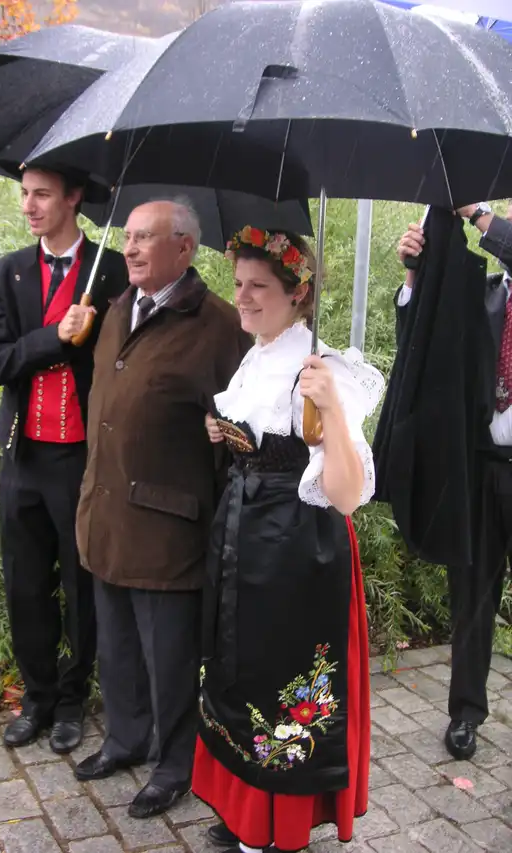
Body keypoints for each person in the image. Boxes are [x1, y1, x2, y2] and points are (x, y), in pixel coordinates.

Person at [192, 226, 384, 853]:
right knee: (238, 669)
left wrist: (330, 407)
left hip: (297, 551)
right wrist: (231, 436)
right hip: (245, 535)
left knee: (279, 676)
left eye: (259, 288)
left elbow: (349, 494)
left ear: (299, 292)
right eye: (239, 283)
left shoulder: (323, 369)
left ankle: (277, 826)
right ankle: (245, 807)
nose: (241, 298)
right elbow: (266, 439)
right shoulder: (260, 351)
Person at [73, 199, 252, 819]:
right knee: (116, 643)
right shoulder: (119, 306)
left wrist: (220, 429)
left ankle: (176, 764)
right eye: (128, 237)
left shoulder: (220, 324)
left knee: (169, 657)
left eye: (145, 238)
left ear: (184, 248)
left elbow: (244, 425)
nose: (130, 248)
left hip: (170, 523)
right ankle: (125, 739)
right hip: (106, 513)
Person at [0, 167, 127, 753]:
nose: (29, 206)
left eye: (41, 194)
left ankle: (71, 699)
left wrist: (91, 339)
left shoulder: (111, 271)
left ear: (73, 198)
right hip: (25, 456)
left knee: (82, 585)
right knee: (25, 586)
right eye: (24, 194)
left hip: (84, 458)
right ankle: (36, 696)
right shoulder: (7, 272)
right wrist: (53, 338)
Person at [395, 201, 512, 761]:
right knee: (472, 597)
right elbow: (422, 340)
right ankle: (465, 714)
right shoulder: (484, 294)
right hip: (485, 466)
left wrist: (478, 213)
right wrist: (419, 274)